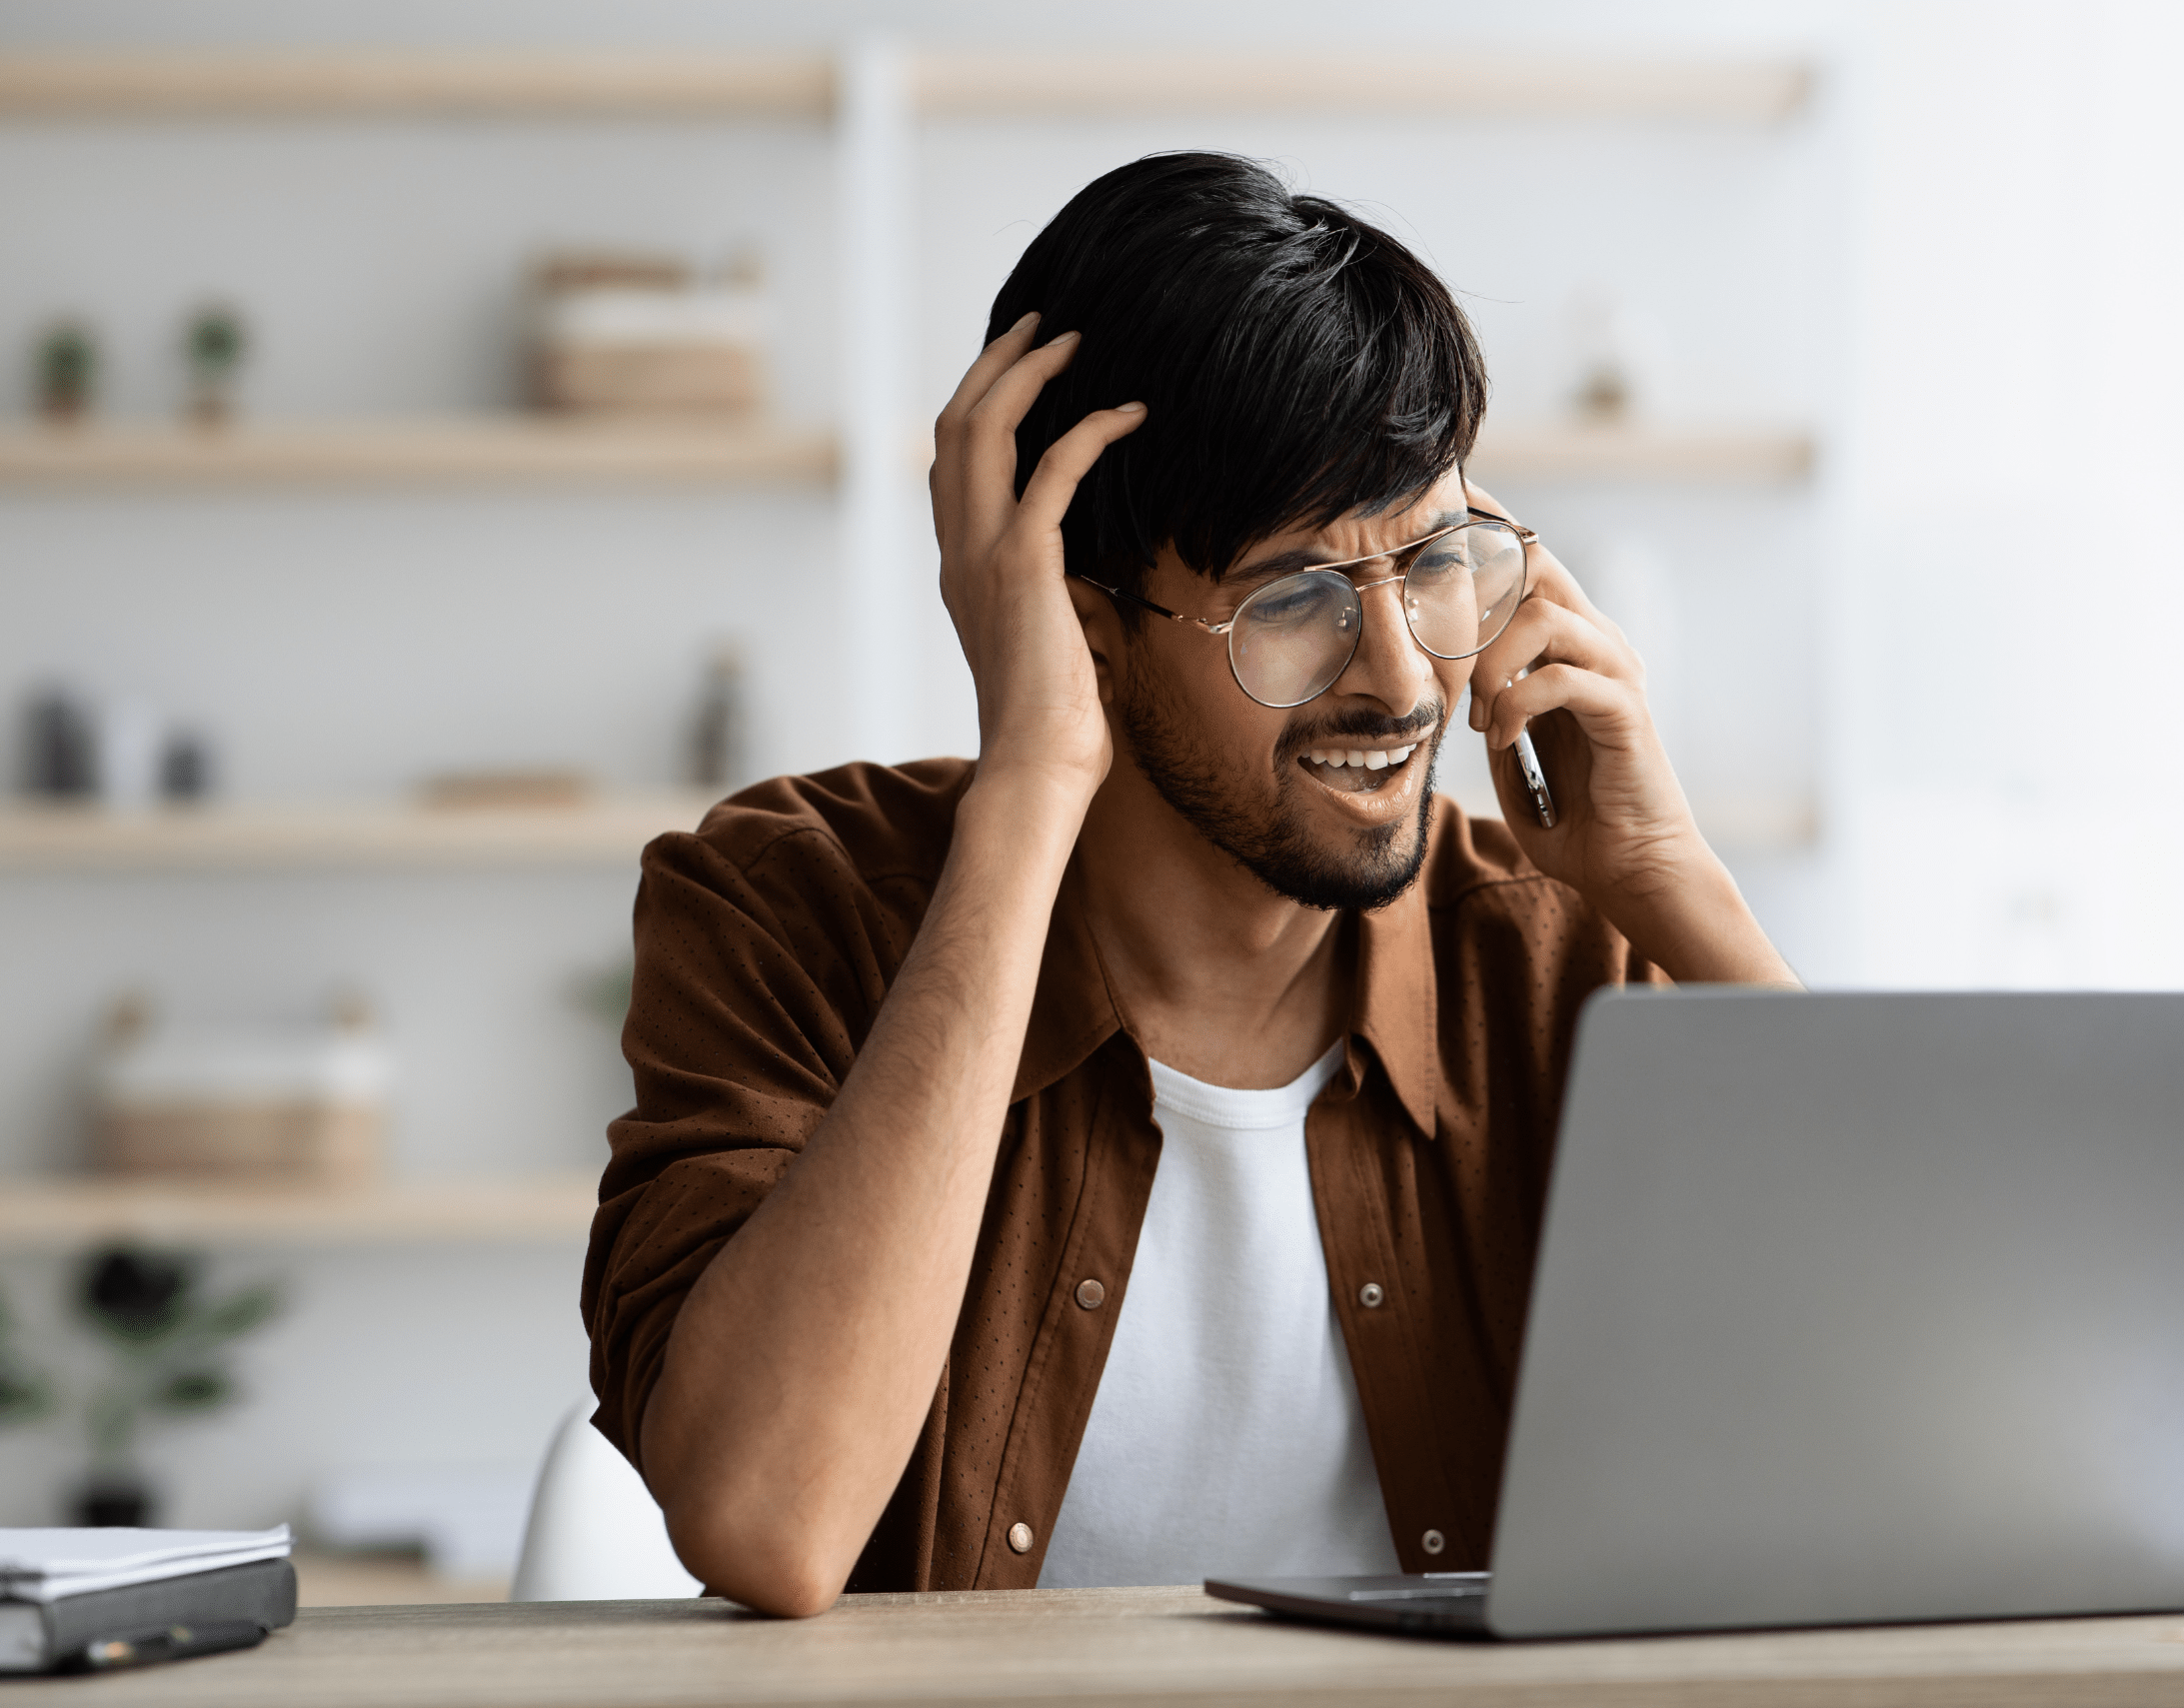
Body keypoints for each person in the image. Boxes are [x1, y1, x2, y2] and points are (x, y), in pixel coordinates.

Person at [582, 152, 1797, 1618]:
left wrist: (1679, 890)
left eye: (1433, 563)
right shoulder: (788, 907)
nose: (1405, 674)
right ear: (1081, 625)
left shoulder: (1555, 959)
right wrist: (1028, 783)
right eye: (1291, 599)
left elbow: (1937, 1439)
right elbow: (770, 1522)